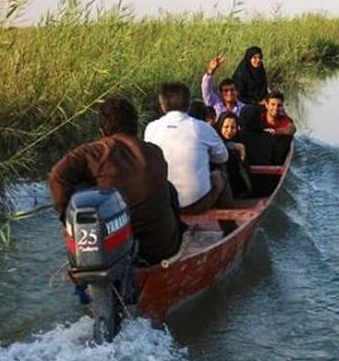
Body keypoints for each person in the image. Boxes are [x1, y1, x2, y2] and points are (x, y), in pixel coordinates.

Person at [48, 96, 182, 265]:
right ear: (135, 125)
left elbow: (56, 176)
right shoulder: (155, 152)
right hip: (162, 250)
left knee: (83, 191)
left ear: (102, 130)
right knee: (169, 188)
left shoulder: (94, 152)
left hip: (115, 254)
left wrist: (68, 223)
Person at [143, 82, 229, 214]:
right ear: (188, 104)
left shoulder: (151, 128)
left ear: (162, 105)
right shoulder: (201, 127)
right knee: (220, 175)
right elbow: (223, 157)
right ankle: (230, 228)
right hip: (195, 203)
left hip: (164, 202)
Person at [215, 112, 252, 196]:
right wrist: (232, 146)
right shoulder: (214, 140)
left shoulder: (241, 140)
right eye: (226, 127)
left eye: (233, 127)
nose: (229, 131)